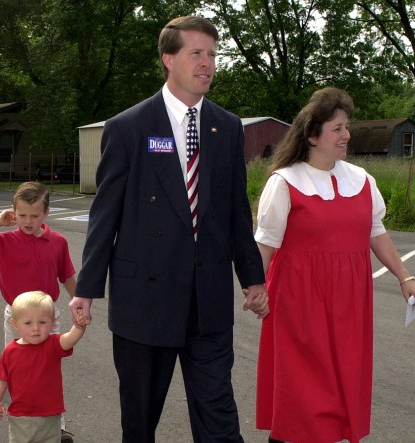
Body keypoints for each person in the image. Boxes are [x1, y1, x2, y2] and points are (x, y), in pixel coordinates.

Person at [71, 16, 269, 442]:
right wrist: (85, 287)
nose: (208, 63)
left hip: (208, 302)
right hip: (145, 302)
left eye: (213, 55)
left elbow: (237, 209)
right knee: (140, 422)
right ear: (168, 58)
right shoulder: (128, 128)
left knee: (219, 417)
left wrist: (253, 278)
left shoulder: (227, 126)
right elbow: (106, 213)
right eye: (196, 53)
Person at [253, 86, 415, 443]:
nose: (346, 135)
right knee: (303, 391)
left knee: (341, 383)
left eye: (347, 126)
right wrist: (256, 288)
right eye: (337, 128)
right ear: (313, 135)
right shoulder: (285, 182)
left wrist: (405, 277)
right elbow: (266, 242)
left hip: (350, 302)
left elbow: (376, 233)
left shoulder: (362, 180)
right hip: (299, 301)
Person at [0, 181, 77, 441]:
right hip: (17, 320)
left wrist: (79, 303)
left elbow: (68, 276)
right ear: (13, 213)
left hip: (48, 319)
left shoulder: (57, 241)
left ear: (46, 213)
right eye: (22, 215)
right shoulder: (4, 240)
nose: (28, 221)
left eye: (35, 215)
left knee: (48, 372)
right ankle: (25, 421)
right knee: (19, 370)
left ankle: (56, 426)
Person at [0, 291, 85, 443]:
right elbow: (1, 379)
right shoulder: (10, 352)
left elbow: (70, 339)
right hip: (20, 416)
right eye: (28, 323)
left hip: (50, 415)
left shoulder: (53, 344)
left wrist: (79, 326)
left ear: (52, 323)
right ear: (15, 324)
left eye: (42, 322)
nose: (35, 328)